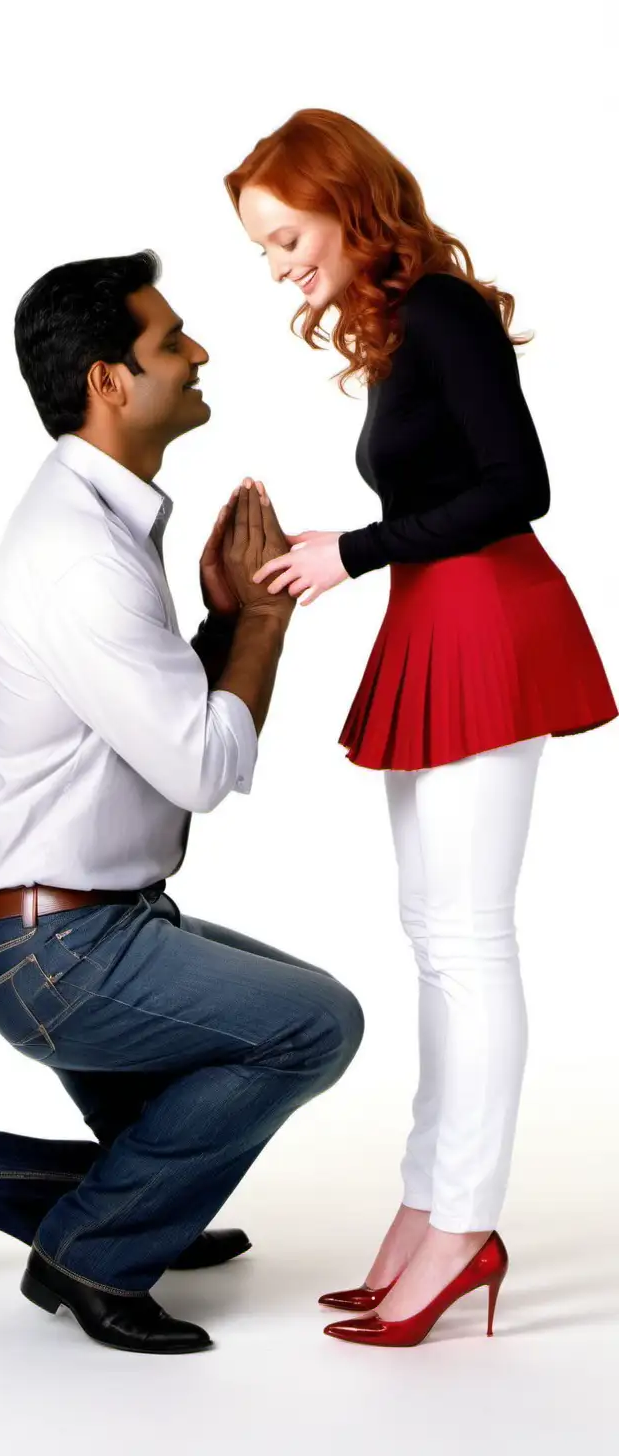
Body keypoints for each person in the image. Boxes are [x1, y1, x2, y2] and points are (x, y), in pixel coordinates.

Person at [0, 250, 364, 1356]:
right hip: (60, 952)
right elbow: (202, 767)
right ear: (110, 381)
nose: (198, 352)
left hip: (92, 926)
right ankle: (100, 1247)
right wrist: (259, 625)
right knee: (317, 1026)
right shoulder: (79, 553)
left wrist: (212, 624)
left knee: (237, 1072)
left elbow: (149, 725)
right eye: (170, 341)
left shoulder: (98, 525)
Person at [223, 108, 617, 1348]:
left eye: (287, 235)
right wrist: (341, 542)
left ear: (347, 202)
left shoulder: (441, 310)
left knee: (467, 939)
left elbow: (521, 486)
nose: (280, 263)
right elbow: (452, 484)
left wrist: (360, 549)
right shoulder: (407, 325)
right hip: (440, 621)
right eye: (265, 247)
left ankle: (464, 1223)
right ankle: (427, 1205)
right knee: (437, 934)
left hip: (489, 627)